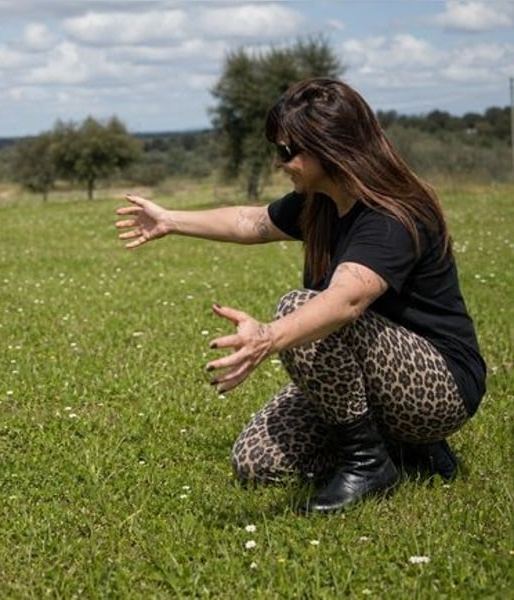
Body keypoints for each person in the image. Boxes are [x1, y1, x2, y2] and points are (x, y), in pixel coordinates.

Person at [115, 78, 486, 514]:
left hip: (439, 387)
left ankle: (369, 463)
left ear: (329, 148)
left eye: (287, 151)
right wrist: (170, 220)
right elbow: (250, 222)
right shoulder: (322, 200)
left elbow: (345, 300)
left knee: (302, 305)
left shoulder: (392, 217)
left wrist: (269, 337)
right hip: (372, 374)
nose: (279, 163)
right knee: (255, 463)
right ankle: (402, 446)